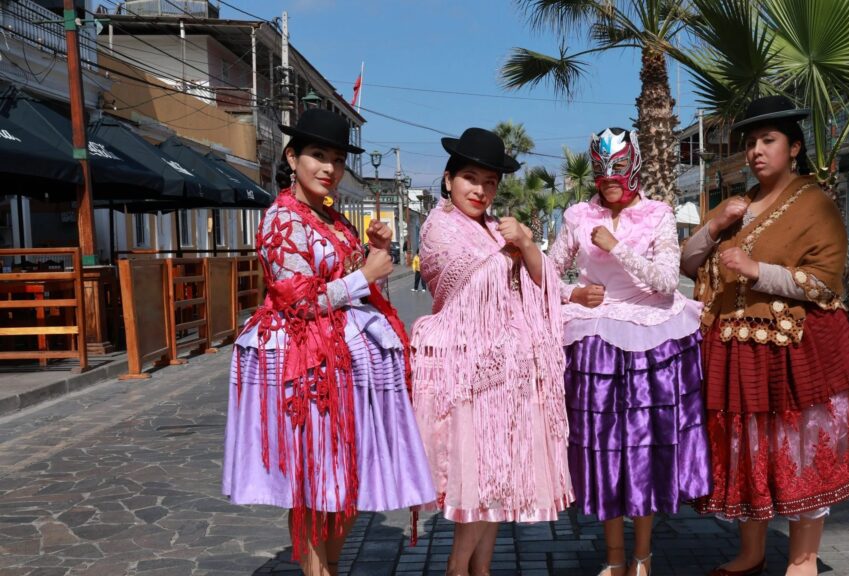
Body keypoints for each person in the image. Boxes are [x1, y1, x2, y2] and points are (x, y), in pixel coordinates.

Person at [222, 109, 435, 576]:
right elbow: (298, 301)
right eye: (318, 156)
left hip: (343, 366)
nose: (329, 168)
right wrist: (363, 276)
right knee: (316, 481)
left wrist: (371, 249)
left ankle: (332, 568)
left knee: (341, 479)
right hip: (306, 364)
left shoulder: (331, 218)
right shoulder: (281, 220)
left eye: (337, 159)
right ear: (292, 157)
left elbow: (343, 270)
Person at [681, 96, 849, 576]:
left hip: (795, 349)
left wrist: (756, 270)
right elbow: (687, 264)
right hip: (735, 348)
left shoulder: (815, 203)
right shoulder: (738, 204)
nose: (755, 152)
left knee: (799, 447)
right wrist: (714, 226)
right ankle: (752, 552)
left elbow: (824, 282)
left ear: (793, 148)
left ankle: (804, 559)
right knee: (749, 450)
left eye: (767, 141)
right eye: (750, 143)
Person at [548, 127, 710, 576]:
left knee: (644, 448)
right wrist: (574, 295)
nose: (610, 177)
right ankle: (615, 558)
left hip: (651, 342)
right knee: (602, 449)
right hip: (595, 347)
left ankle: (643, 557)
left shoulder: (658, 214)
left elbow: (664, 280)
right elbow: (545, 274)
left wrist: (615, 247)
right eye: (602, 168)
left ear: (634, 164)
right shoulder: (578, 216)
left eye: (618, 166)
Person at [411, 127, 573, 576]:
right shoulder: (439, 228)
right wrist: (513, 249)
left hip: (508, 374)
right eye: (470, 177)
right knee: (477, 484)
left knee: (497, 481)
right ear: (448, 180)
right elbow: (474, 280)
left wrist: (524, 244)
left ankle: (480, 569)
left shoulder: (492, 230)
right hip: (466, 372)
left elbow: (545, 283)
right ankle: (457, 567)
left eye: (489, 182)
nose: (480, 190)